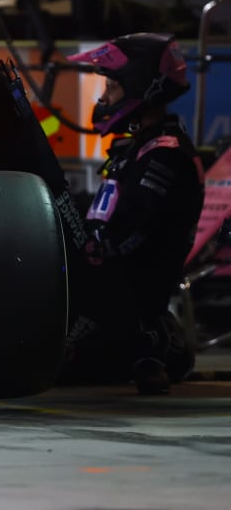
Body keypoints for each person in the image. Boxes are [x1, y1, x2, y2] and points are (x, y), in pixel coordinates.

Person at [62, 33, 204, 394]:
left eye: (111, 87)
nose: (103, 98)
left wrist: (86, 249)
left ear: (139, 86)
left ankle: (153, 343)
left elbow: (129, 230)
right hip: (108, 293)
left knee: (42, 362)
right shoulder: (138, 147)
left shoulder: (166, 156)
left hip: (120, 304)